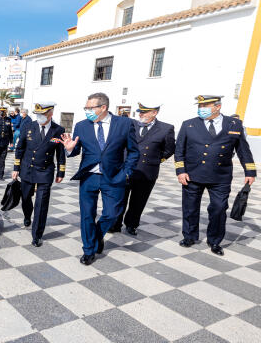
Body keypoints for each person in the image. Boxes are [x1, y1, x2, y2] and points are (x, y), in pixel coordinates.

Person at [61, 92, 139, 265]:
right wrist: (69, 149)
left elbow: (134, 151)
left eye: (90, 108)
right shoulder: (81, 126)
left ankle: (96, 236)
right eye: (86, 108)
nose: (87, 111)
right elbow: (75, 150)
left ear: (103, 107)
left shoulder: (124, 124)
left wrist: (126, 172)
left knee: (112, 213)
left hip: (114, 176)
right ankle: (89, 250)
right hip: (89, 177)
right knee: (87, 215)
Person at [175, 95, 256, 256]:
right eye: (200, 105)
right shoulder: (189, 124)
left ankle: (215, 241)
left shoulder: (234, 124)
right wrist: (180, 171)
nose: (201, 108)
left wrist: (250, 172)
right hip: (192, 174)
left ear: (217, 107)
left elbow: (243, 150)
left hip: (221, 176)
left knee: (219, 209)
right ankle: (190, 236)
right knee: (190, 208)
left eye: (205, 105)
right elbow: (179, 151)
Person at [110, 102, 176, 235]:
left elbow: (169, 150)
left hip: (147, 171)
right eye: (140, 111)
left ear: (154, 113)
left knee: (138, 201)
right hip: (126, 168)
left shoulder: (166, 128)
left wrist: (155, 160)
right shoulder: (130, 124)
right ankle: (115, 224)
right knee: (119, 199)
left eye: (144, 112)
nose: (141, 114)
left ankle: (131, 224)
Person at [13, 102, 65, 247]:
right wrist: (16, 167)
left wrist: (61, 171)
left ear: (50, 115)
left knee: (42, 204)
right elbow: (20, 148)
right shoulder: (28, 126)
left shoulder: (58, 130)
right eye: (38, 114)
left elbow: (60, 154)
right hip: (27, 169)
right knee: (25, 197)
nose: (39, 117)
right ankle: (27, 215)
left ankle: (37, 235)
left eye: (42, 114)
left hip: (45, 171)